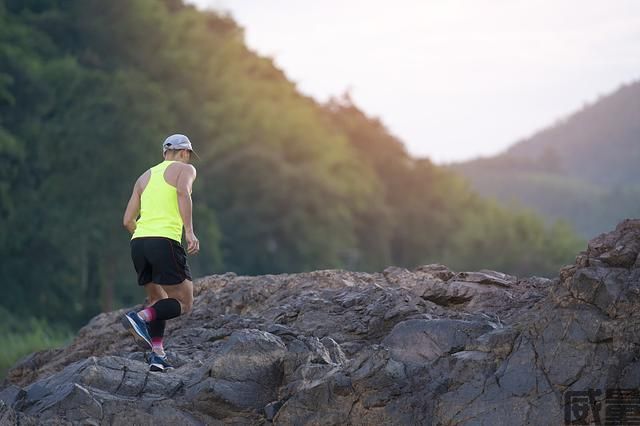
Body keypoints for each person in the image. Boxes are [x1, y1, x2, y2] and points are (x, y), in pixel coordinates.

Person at [121, 134, 200, 372]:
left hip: (139, 243)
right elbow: (182, 194)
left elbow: (127, 221)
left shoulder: (144, 177)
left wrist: (146, 236)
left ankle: (157, 355)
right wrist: (189, 232)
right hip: (164, 241)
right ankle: (139, 319)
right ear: (185, 153)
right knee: (184, 303)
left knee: (158, 300)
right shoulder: (185, 170)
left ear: (164, 152)